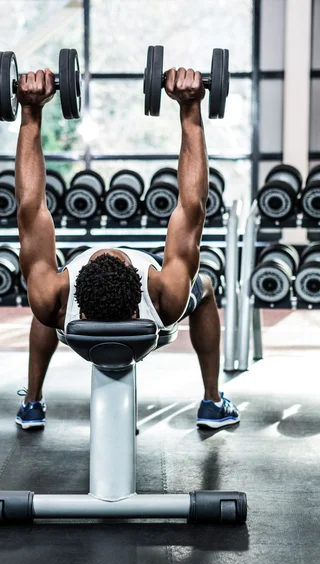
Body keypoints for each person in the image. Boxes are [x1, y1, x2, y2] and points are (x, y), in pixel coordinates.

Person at [14, 66, 240, 431]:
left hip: (60, 311)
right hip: (147, 318)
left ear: (79, 307)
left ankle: (32, 402)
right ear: (139, 305)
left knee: (42, 300)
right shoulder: (166, 297)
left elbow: (30, 208)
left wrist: (30, 111)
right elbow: (191, 205)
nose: (109, 249)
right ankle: (213, 401)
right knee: (208, 288)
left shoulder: (55, 297)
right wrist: (190, 108)